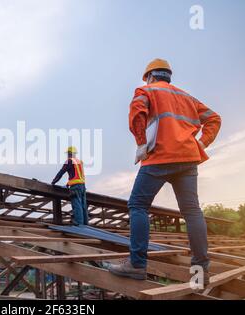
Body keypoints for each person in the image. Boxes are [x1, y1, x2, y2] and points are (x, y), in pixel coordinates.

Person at [108, 59, 221, 283]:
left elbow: (137, 114)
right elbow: (214, 119)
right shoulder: (186, 96)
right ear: (168, 76)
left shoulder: (146, 90)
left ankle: (137, 265)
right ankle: (201, 270)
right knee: (191, 211)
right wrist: (201, 144)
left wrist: (141, 143)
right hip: (188, 158)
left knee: (138, 205)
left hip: (159, 157)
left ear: (150, 76)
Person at [51, 147, 89, 226]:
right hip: (82, 186)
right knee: (83, 205)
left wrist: (53, 182)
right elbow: (77, 176)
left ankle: (79, 224)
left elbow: (61, 172)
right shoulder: (79, 162)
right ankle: (85, 224)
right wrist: (67, 184)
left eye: (68, 154)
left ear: (69, 154)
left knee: (77, 204)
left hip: (75, 187)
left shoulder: (69, 161)